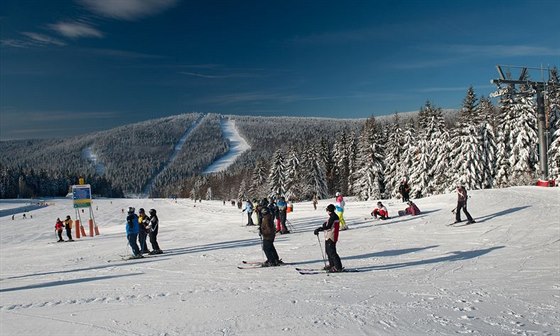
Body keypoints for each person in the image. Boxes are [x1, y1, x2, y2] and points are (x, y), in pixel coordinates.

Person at [314, 204, 343, 272]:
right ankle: (332, 265)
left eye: (327, 210)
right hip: (329, 235)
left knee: (332, 252)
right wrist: (323, 226)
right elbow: (326, 224)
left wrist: (319, 229)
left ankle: (338, 267)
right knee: (328, 251)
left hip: (332, 236)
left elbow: (328, 226)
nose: (327, 211)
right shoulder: (332, 216)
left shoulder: (333, 216)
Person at [258, 198, 282, 267]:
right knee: (271, 247)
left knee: (266, 248)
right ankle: (275, 259)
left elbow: (269, 229)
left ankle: (271, 261)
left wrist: (262, 232)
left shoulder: (267, 219)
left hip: (268, 236)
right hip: (270, 236)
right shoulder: (267, 217)